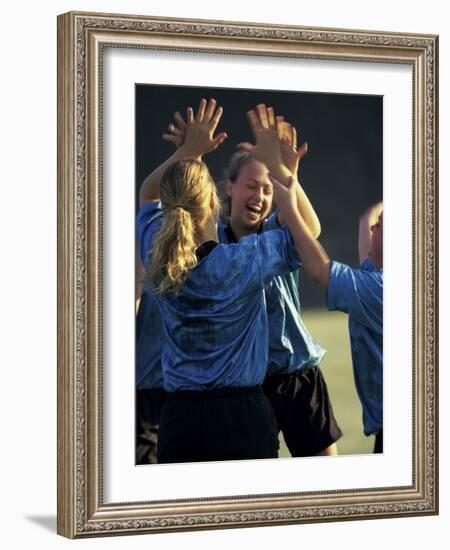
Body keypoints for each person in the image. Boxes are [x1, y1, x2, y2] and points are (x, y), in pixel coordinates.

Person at [137, 99, 310, 463]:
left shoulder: (155, 250)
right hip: (241, 417)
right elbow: (305, 231)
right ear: (215, 205)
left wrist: (187, 151)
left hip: (180, 417)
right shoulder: (244, 259)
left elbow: (147, 195)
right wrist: (282, 171)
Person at [268, 166, 383, 453]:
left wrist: (291, 211)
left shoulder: (380, 291)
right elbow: (365, 218)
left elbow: (320, 271)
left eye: (381, 227)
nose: (373, 228)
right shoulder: (380, 274)